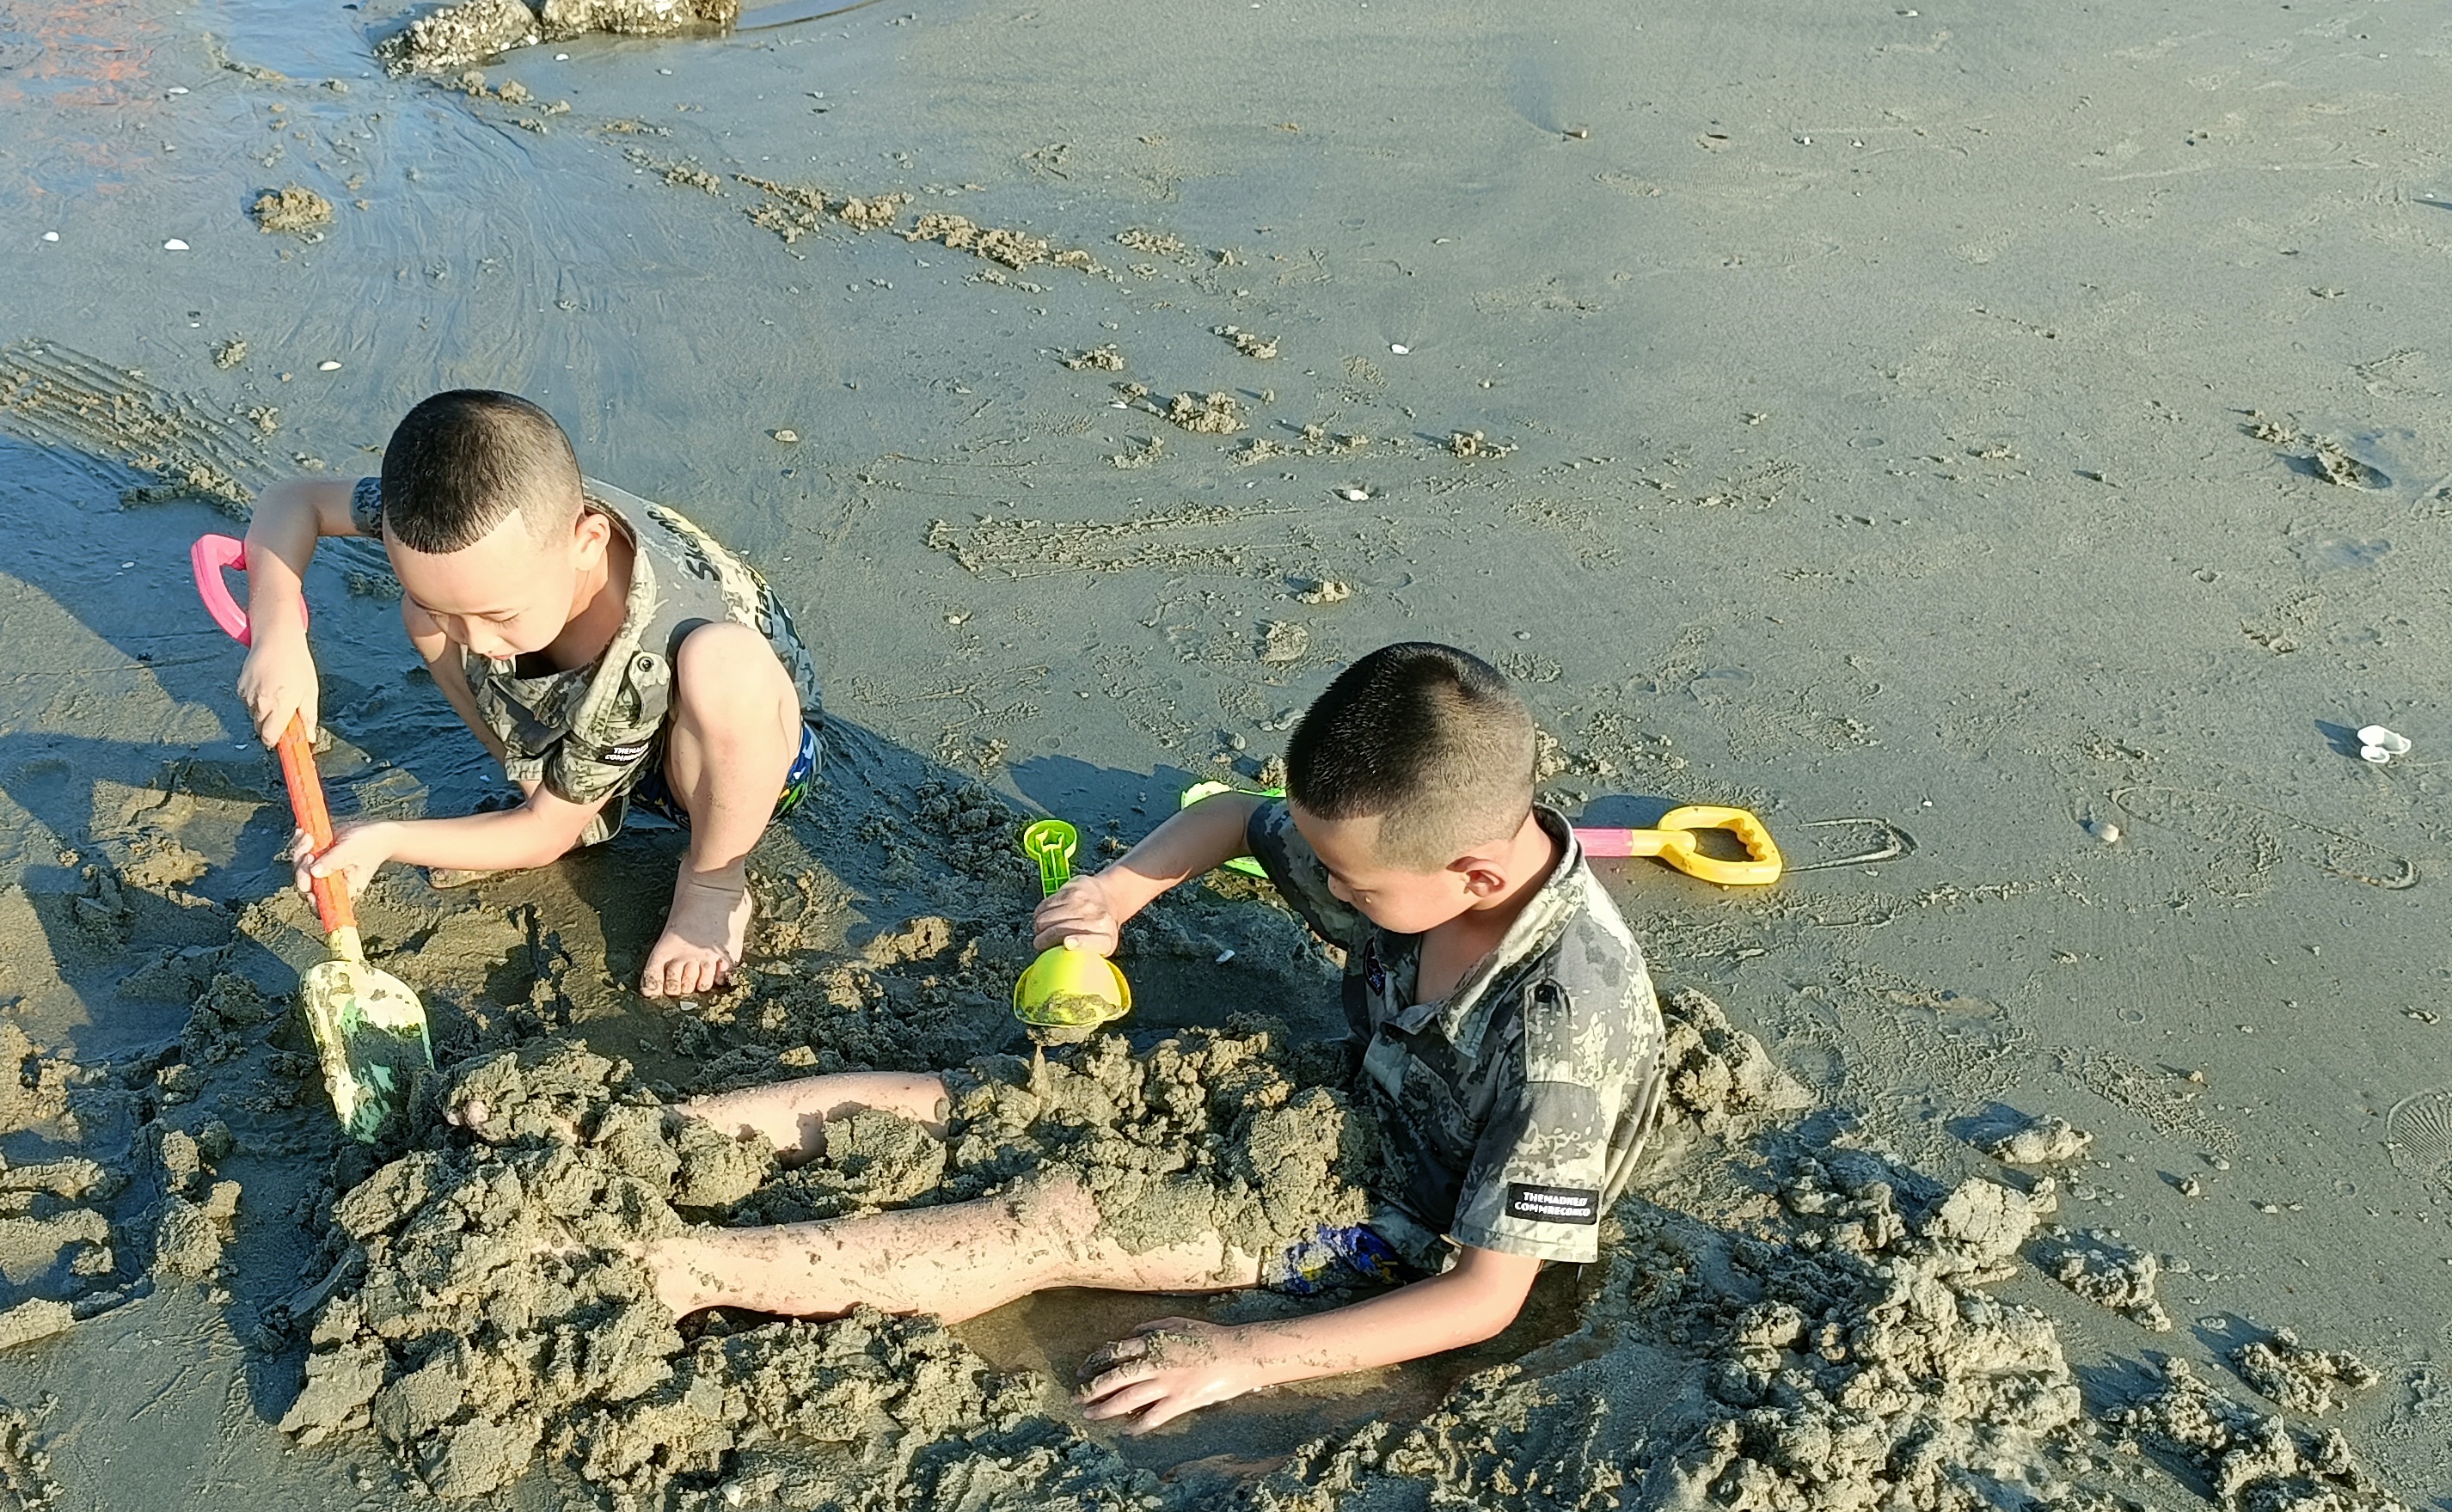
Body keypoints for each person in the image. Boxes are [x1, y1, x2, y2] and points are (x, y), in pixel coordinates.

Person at [634, 642, 1664, 1433]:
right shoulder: (1410, 853)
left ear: (1477, 876)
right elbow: (1232, 813)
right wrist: (1115, 893)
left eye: (1350, 886)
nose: (1324, 889)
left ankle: (676, 1267)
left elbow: (1483, 1294)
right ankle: (642, 1137)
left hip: (1396, 1212)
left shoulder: (1566, 1036)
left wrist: (1242, 1358)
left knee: (1053, 1215)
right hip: (1336, 1093)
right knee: (988, 1100)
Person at [230, 389, 824, 998]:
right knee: (422, 613)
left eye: (500, 615)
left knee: (722, 665)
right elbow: (293, 500)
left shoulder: (638, 654)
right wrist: (279, 632)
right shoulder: (480, 525)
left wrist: (386, 839)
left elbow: (549, 835)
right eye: (459, 615)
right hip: (586, 721)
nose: (482, 643)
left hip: (732, 762)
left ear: (588, 542)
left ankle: (714, 882)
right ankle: (543, 782)